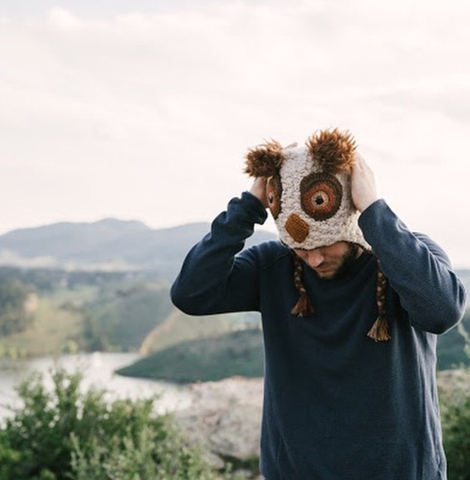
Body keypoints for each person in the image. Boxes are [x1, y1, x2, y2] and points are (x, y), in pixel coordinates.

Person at [170, 128, 467, 479]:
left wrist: (372, 207)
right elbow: (190, 293)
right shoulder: (273, 266)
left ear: (352, 218)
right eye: (301, 248)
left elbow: (442, 311)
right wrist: (250, 205)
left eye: (326, 245)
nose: (313, 260)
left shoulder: (407, 256)